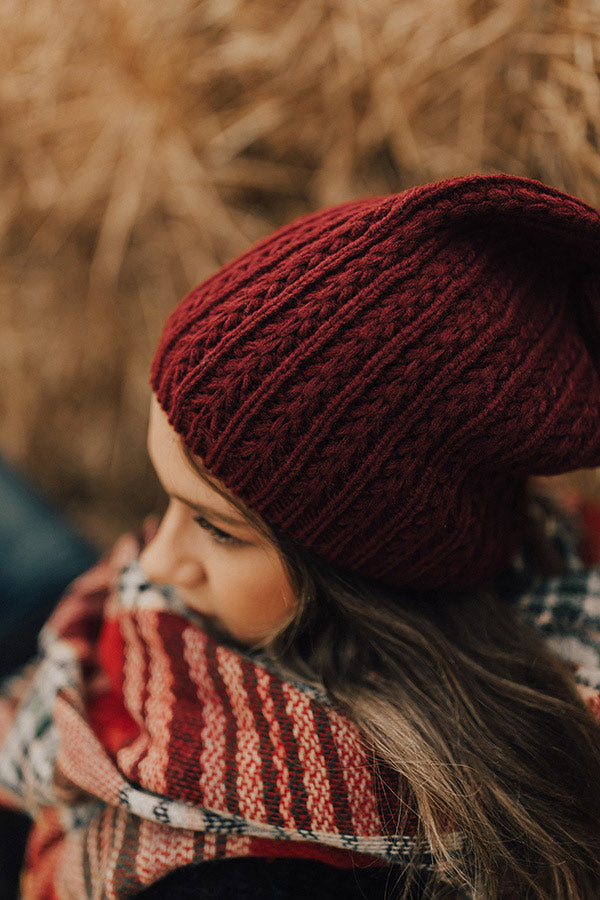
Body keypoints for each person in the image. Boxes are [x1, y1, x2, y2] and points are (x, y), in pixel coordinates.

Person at [1, 171, 600, 900]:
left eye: (218, 531)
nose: (154, 561)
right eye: (170, 502)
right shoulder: (550, 540)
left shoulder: (233, 867)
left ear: (368, 571)